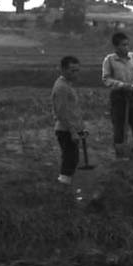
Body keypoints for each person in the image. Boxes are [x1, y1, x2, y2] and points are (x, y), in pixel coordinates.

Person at [101, 31, 133, 159]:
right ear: (116, 47)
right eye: (123, 45)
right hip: (118, 96)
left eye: (127, 44)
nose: (126, 47)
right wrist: (121, 85)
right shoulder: (109, 60)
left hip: (132, 94)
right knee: (119, 126)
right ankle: (121, 154)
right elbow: (106, 79)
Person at [51, 55, 86, 188]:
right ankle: (62, 187)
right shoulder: (62, 88)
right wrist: (73, 132)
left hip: (70, 129)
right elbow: (61, 113)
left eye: (77, 70)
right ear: (63, 70)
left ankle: (65, 186)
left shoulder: (67, 85)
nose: (75, 73)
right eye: (72, 70)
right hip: (65, 130)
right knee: (70, 160)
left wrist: (80, 128)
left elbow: (72, 111)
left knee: (72, 159)